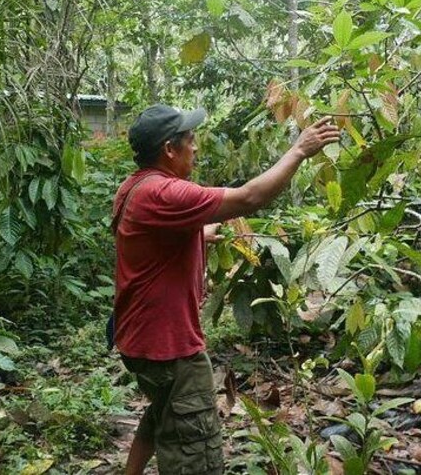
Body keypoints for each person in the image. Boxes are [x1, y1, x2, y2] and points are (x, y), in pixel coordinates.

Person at [113, 103, 340, 475]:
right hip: (169, 349)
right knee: (195, 448)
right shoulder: (165, 192)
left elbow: (149, 242)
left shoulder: (134, 186)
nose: (197, 147)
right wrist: (299, 150)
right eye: (191, 139)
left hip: (140, 340)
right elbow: (250, 197)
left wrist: (200, 234)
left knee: (164, 410)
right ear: (169, 149)